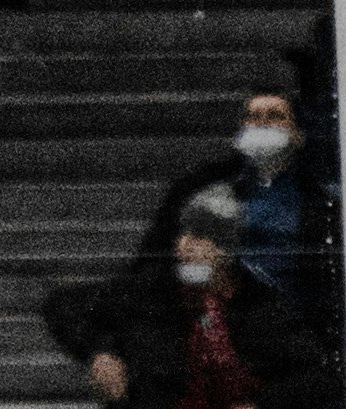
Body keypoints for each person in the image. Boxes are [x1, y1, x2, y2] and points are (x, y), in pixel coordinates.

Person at [44, 200, 323, 409]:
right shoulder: (149, 292)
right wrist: (99, 351)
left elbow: (316, 373)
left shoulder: (261, 307)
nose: (183, 247)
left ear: (225, 250)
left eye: (200, 237)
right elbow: (63, 306)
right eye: (183, 235)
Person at [137, 79, 326, 312]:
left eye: (275, 115)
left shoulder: (315, 199)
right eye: (253, 116)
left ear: (297, 135)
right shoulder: (200, 187)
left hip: (286, 315)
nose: (263, 123)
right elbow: (154, 260)